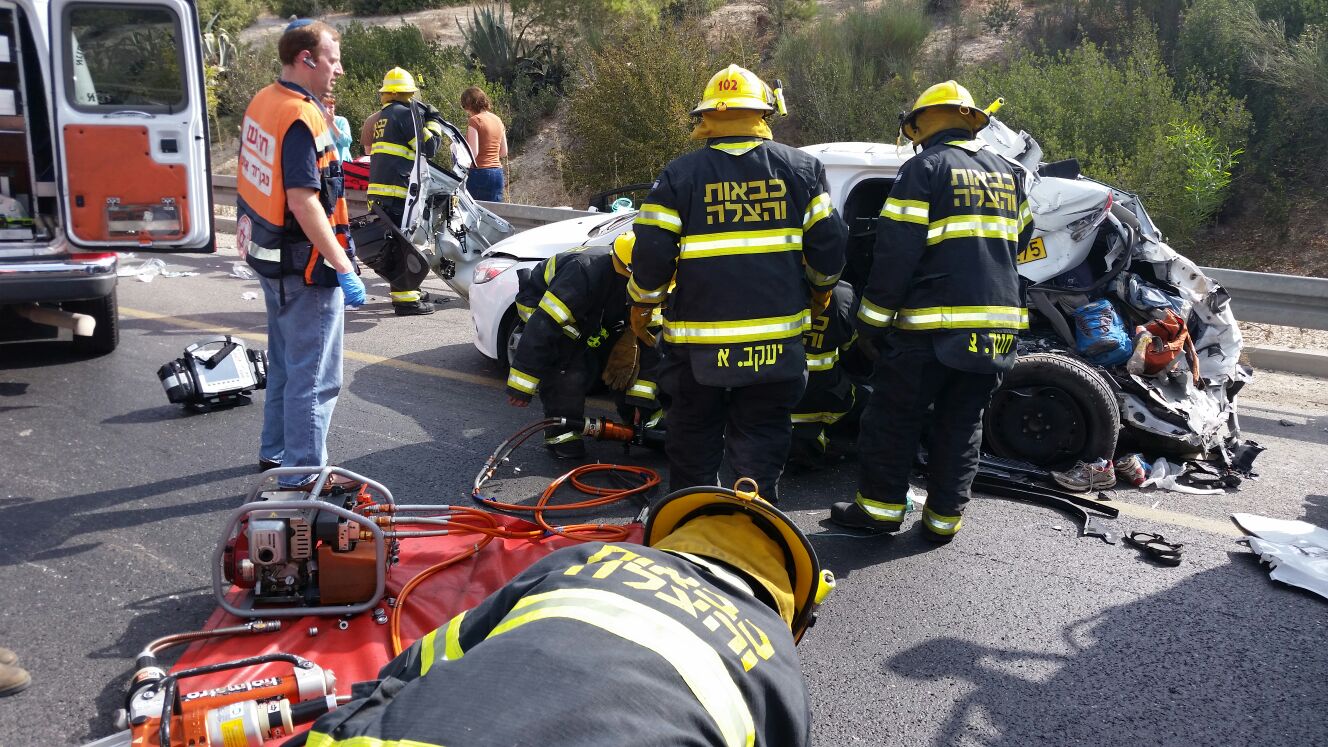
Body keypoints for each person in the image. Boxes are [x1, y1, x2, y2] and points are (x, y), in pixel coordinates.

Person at [290, 482, 835, 747]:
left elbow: (426, 660)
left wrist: (358, 710)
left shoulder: (595, 557)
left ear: (674, 539)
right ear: (789, 605)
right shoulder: (778, 666)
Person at [628, 64, 846, 500]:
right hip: (775, 345)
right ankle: (753, 524)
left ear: (707, 117)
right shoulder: (802, 169)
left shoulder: (679, 175)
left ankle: (693, 522)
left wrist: (642, 303)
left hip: (697, 348)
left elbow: (651, 254)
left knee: (693, 440)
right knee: (761, 442)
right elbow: (829, 247)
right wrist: (821, 290)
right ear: (763, 113)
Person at [828, 80, 1031, 543]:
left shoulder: (925, 169)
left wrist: (870, 323)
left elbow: (895, 254)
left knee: (893, 418)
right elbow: (1021, 240)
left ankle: (879, 511)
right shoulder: (1009, 173)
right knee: (962, 423)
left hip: (931, 331)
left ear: (921, 124)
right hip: (997, 329)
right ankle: (943, 521)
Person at [236, 19, 365, 483]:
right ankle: (303, 476)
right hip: (306, 267)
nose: (340, 70)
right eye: (333, 60)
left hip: (272, 259)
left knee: (288, 368)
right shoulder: (299, 117)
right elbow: (303, 200)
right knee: (315, 379)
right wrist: (342, 265)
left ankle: (275, 455)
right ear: (306, 59)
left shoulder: (265, 101)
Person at [505, 234, 636, 459]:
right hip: (544, 307)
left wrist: (641, 401)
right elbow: (543, 326)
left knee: (625, 360)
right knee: (568, 367)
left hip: (590, 312)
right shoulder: (583, 272)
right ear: (629, 269)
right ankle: (561, 434)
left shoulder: (636, 277)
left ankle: (638, 419)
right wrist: (521, 388)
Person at [366, 66, 447, 316]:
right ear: (406, 93)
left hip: (381, 192)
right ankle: (406, 301)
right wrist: (433, 122)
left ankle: (410, 289)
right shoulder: (404, 114)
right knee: (403, 246)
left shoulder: (384, 116)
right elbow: (429, 147)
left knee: (397, 245)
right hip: (396, 192)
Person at [788, 280, 861, 470]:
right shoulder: (845, 294)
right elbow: (851, 350)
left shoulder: (778, 284)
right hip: (825, 399)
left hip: (774, 396)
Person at [460, 85, 507, 202]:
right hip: (497, 173)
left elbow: (473, 153)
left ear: (468, 105)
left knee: (473, 210)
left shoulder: (475, 121)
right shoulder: (498, 119)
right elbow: (503, 152)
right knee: (494, 211)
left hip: (479, 173)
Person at [322, 95, 353, 162]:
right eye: (324, 106)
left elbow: (346, 142)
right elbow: (319, 147)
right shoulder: (316, 123)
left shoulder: (342, 121)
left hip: (342, 165)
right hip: (325, 164)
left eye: (331, 107)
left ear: (334, 108)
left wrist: (332, 123)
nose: (327, 110)